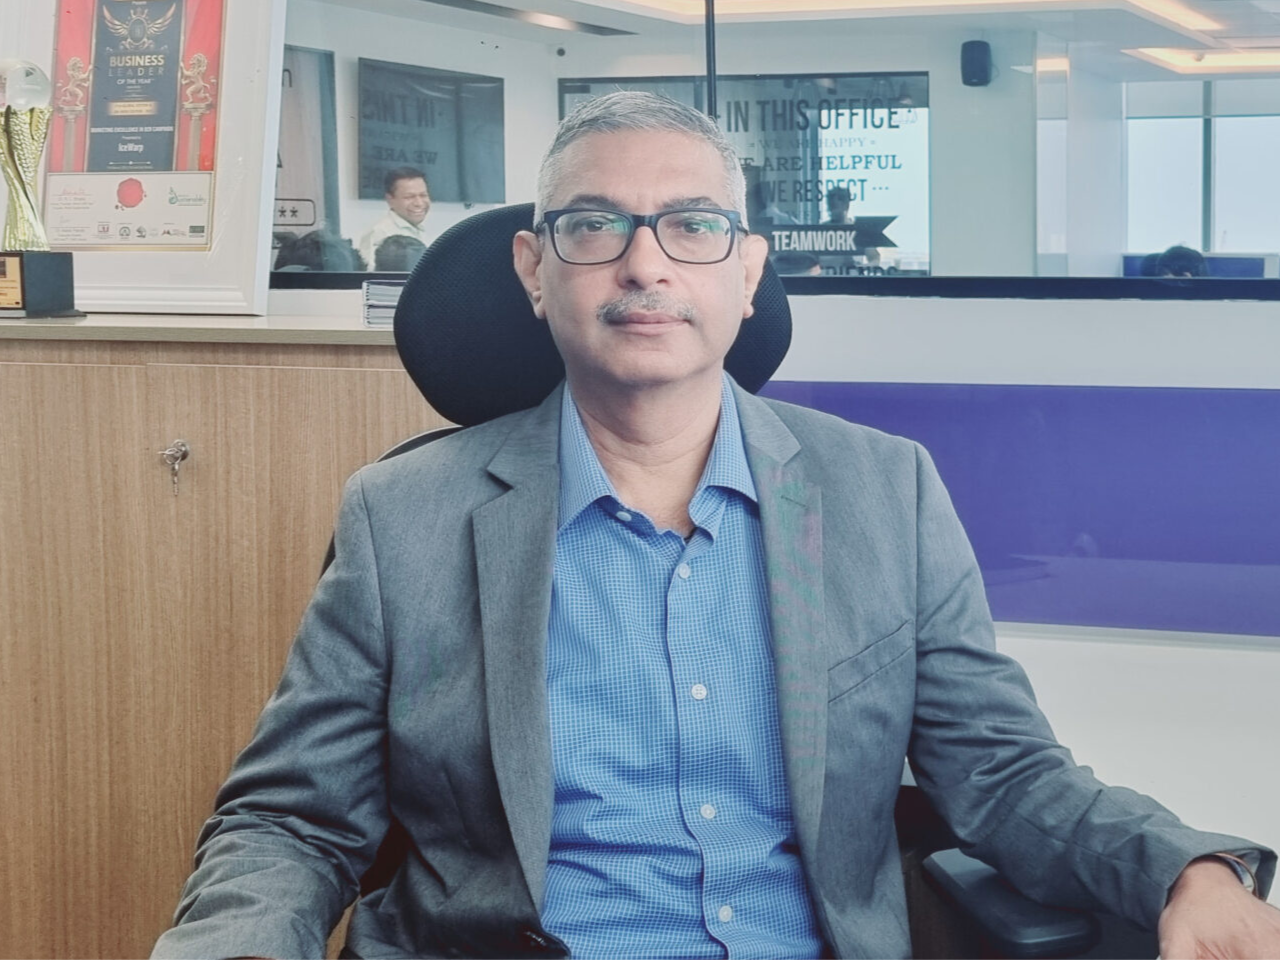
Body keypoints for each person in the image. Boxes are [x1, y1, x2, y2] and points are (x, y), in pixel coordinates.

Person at [152, 92, 1279, 960]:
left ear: (747, 273)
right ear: (534, 270)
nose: (644, 263)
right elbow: (292, 822)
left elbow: (1004, 776)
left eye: (691, 226)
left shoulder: (883, 490)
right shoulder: (403, 515)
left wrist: (1182, 870)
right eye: (594, 225)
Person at [358, 166, 431, 267]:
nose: (419, 203)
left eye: (423, 195)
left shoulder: (418, 229)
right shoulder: (379, 232)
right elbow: (373, 274)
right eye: (409, 197)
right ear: (390, 199)